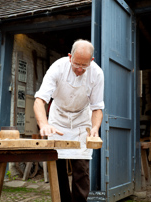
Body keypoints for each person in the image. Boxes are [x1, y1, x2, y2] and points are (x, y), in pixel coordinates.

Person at [33, 39, 104, 202]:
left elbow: (97, 107)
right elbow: (39, 100)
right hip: (58, 119)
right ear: (70, 56)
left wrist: (95, 127)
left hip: (81, 119)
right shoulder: (57, 68)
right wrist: (44, 124)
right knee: (57, 166)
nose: (79, 69)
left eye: (84, 66)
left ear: (91, 61)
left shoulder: (97, 74)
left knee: (81, 166)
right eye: (76, 64)